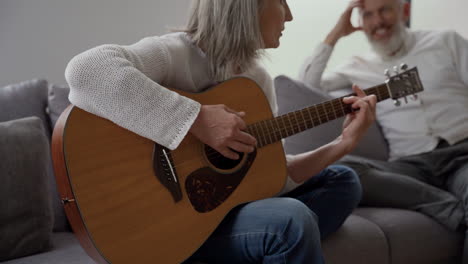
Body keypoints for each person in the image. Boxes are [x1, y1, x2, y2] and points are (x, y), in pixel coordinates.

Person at [65, 0, 377, 263]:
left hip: (224, 213)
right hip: (167, 219)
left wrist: (343, 142)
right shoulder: (174, 53)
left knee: (343, 181)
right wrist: (196, 118)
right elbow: (86, 71)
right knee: (292, 220)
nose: (290, 15)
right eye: (281, 1)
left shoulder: (257, 80)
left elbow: (271, 179)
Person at [299, 0, 468, 261]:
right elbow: (305, 84)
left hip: (462, 155)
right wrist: (336, 33)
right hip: (411, 167)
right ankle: (452, 208)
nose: (378, 21)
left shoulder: (446, 41)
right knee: (342, 168)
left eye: (385, 9)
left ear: (405, 10)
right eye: (368, 14)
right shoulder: (356, 66)